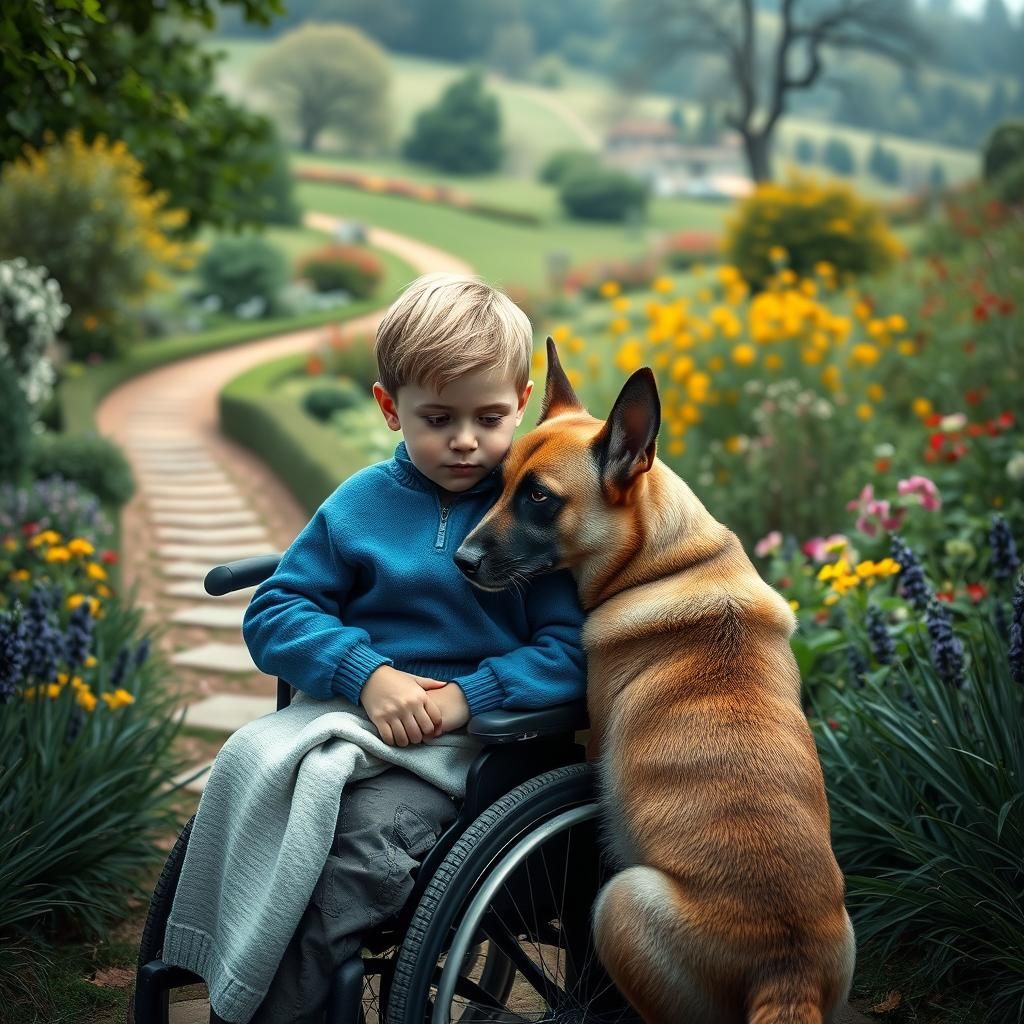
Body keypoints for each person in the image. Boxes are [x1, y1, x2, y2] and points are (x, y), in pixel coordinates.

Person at [229, 271, 588, 1024]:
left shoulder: (529, 514)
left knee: (340, 862)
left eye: (489, 418)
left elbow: (570, 649)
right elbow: (277, 610)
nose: (465, 441)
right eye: (437, 418)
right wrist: (367, 675)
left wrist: (469, 696)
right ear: (390, 408)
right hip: (359, 726)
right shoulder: (358, 506)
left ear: (522, 403)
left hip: (479, 756)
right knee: (254, 804)